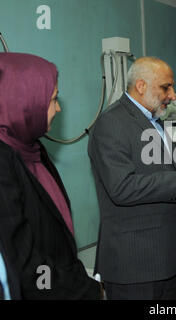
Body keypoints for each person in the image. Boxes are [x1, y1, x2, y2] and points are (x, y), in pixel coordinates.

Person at [88, 56, 176, 300]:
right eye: (166, 87)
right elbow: (122, 188)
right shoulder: (111, 124)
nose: (173, 95)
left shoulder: (155, 122)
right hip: (133, 266)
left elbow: (166, 178)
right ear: (141, 86)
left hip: (164, 259)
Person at [0, 52, 101, 299]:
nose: (58, 108)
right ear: (24, 101)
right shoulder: (3, 164)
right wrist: (84, 290)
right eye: (53, 99)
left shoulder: (34, 149)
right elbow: (25, 265)